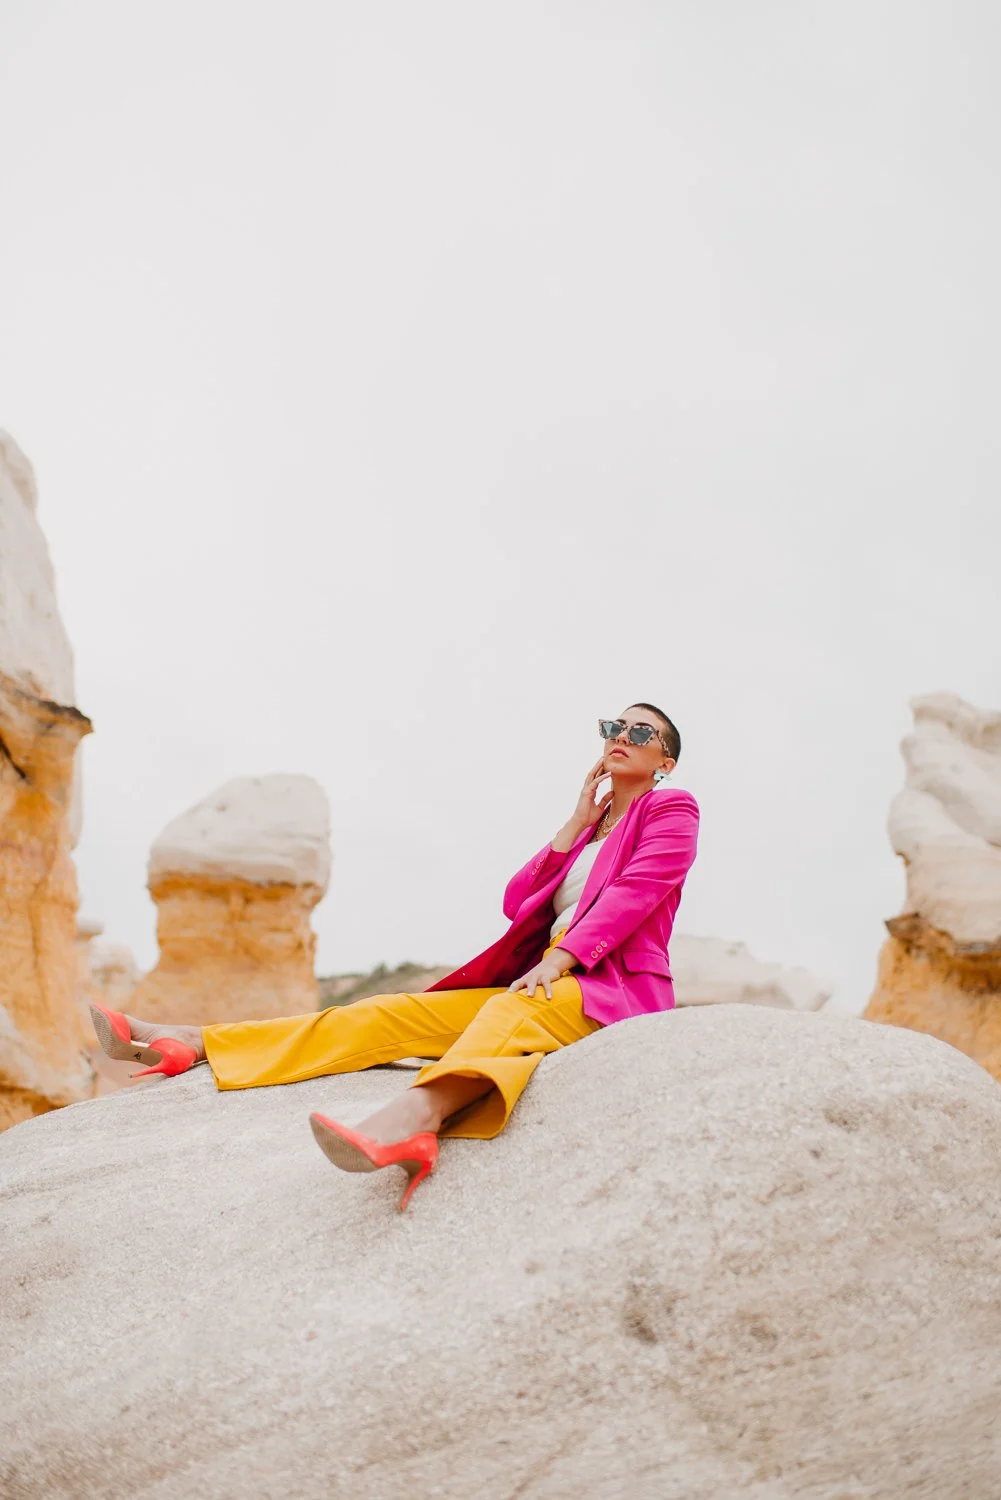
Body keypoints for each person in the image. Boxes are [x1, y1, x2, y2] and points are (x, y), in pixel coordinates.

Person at [91, 704, 700, 1210]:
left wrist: (561, 959)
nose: (621, 737)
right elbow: (517, 901)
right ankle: (197, 1043)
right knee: (387, 1013)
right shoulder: (590, 830)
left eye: (640, 733)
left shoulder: (672, 809)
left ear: (664, 762)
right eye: (612, 728)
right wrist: (573, 823)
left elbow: (636, 892)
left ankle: (415, 1121)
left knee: (506, 1017)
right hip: (550, 978)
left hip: (607, 988)